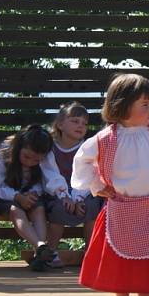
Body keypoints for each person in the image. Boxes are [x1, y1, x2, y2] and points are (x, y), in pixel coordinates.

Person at [73, 74, 149, 296]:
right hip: (121, 208)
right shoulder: (106, 138)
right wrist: (98, 186)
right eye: (145, 104)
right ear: (123, 104)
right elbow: (83, 161)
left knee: (147, 259)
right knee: (121, 262)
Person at [0, 126, 62, 271]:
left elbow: (49, 177)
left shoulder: (47, 155)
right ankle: (40, 246)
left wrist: (33, 193)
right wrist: (16, 196)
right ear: (18, 147)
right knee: (16, 210)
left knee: (38, 208)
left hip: (29, 194)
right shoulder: (0, 153)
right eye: (26, 157)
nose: (29, 162)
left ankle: (39, 253)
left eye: (36, 160)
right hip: (2, 197)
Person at [45, 102, 104, 266]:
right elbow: (51, 175)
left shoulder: (88, 148)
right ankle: (51, 251)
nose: (81, 126)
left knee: (91, 205)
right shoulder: (50, 148)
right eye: (75, 121)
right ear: (60, 124)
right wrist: (64, 196)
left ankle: (91, 251)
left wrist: (77, 198)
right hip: (58, 193)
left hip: (83, 191)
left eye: (84, 123)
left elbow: (89, 175)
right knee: (57, 208)